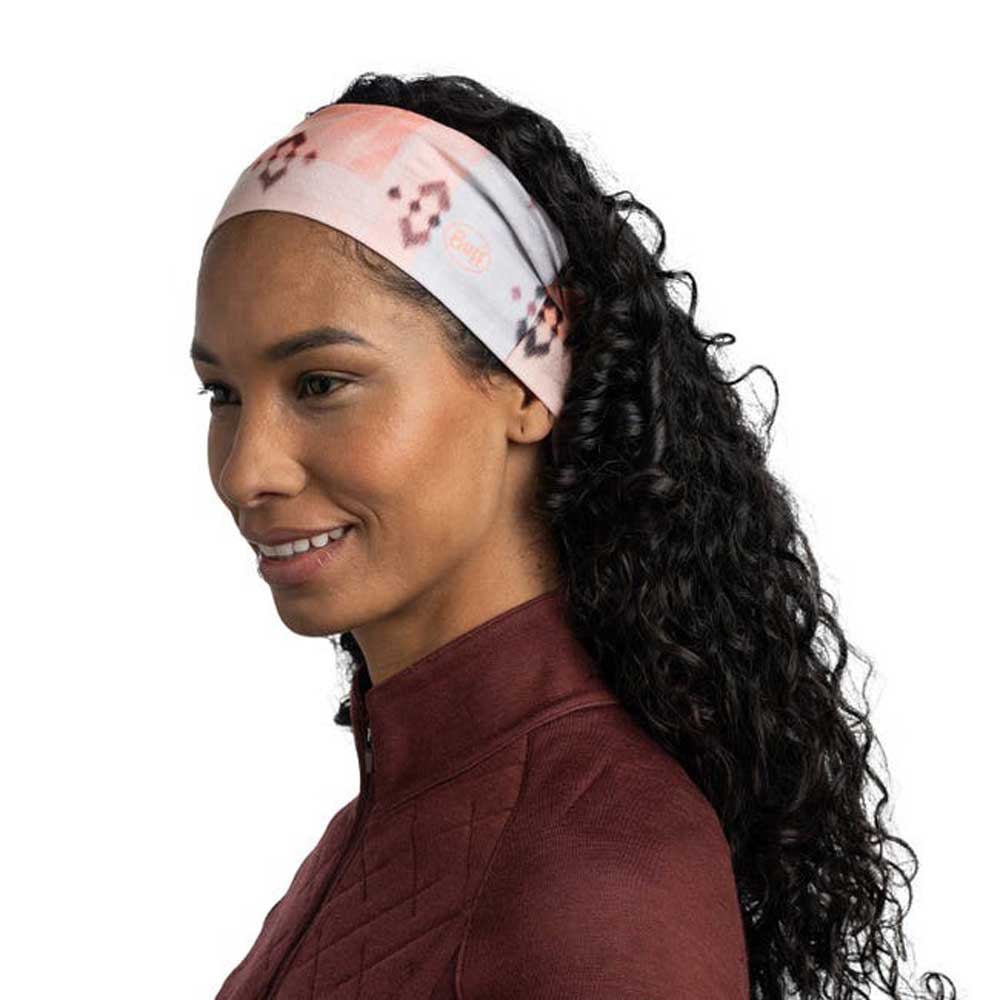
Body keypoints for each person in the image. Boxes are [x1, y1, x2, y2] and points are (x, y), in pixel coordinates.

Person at [192, 72, 959, 1000]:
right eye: (222, 394)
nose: (246, 470)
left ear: (525, 384)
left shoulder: (603, 872)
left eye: (321, 384)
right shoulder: (393, 819)